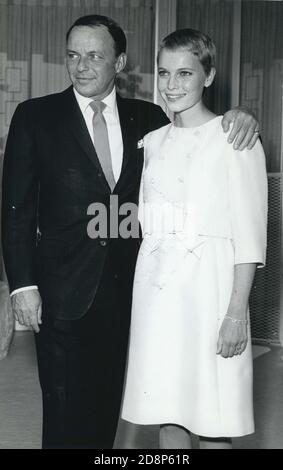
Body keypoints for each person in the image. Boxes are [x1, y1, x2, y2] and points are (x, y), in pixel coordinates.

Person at [2, 14, 259, 449]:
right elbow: (15, 210)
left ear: (120, 62)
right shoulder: (35, 116)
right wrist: (21, 286)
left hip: (132, 292)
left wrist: (242, 115)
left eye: (95, 55)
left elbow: (201, 140)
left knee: (122, 406)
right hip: (62, 289)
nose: (81, 66)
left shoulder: (151, 120)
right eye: (73, 55)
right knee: (64, 407)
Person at [121, 28, 267, 449]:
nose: (171, 85)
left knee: (212, 418)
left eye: (185, 73)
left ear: (209, 75)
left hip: (211, 295)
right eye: (164, 73)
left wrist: (236, 313)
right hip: (157, 296)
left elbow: (249, 235)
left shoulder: (235, 138)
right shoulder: (152, 142)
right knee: (168, 412)